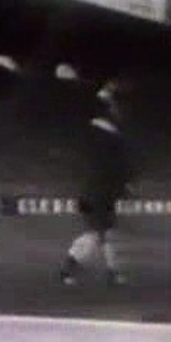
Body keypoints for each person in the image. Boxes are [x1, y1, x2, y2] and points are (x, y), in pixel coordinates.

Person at [57, 82, 134, 287]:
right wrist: (123, 184)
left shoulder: (102, 134)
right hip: (97, 193)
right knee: (98, 235)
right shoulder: (105, 135)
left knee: (105, 234)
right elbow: (113, 165)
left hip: (98, 191)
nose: (120, 111)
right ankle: (69, 268)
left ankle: (112, 273)